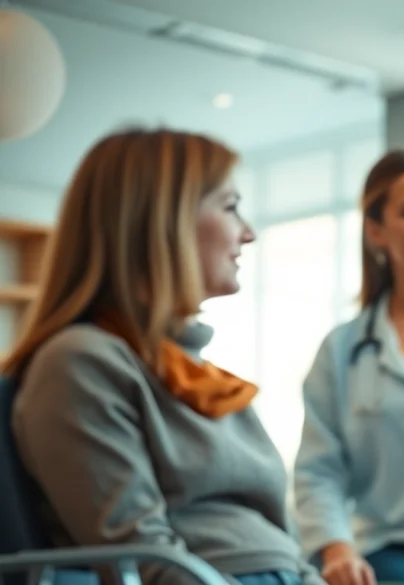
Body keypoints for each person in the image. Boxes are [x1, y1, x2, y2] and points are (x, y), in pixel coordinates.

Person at [3, 128, 323, 585]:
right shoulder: (79, 362)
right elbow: (144, 560)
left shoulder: (201, 377)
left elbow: (285, 545)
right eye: (230, 207)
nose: (248, 233)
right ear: (162, 221)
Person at [292, 150, 404, 585]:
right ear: (376, 231)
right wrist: (336, 549)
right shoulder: (343, 349)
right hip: (387, 551)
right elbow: (319, 470)